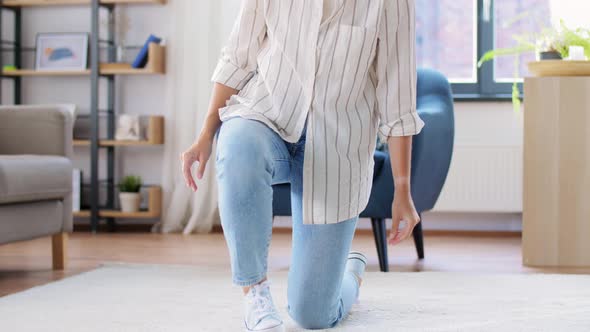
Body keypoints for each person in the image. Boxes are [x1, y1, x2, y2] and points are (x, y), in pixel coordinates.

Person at [181, 0, 424, 330]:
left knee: (314, 315)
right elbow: (238, 57)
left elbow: (398, 100)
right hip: (266, 115)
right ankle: (255, 292)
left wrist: (403, 191)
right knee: (237, 145)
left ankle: (350, 270)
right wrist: (207, 133)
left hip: (336, 147)